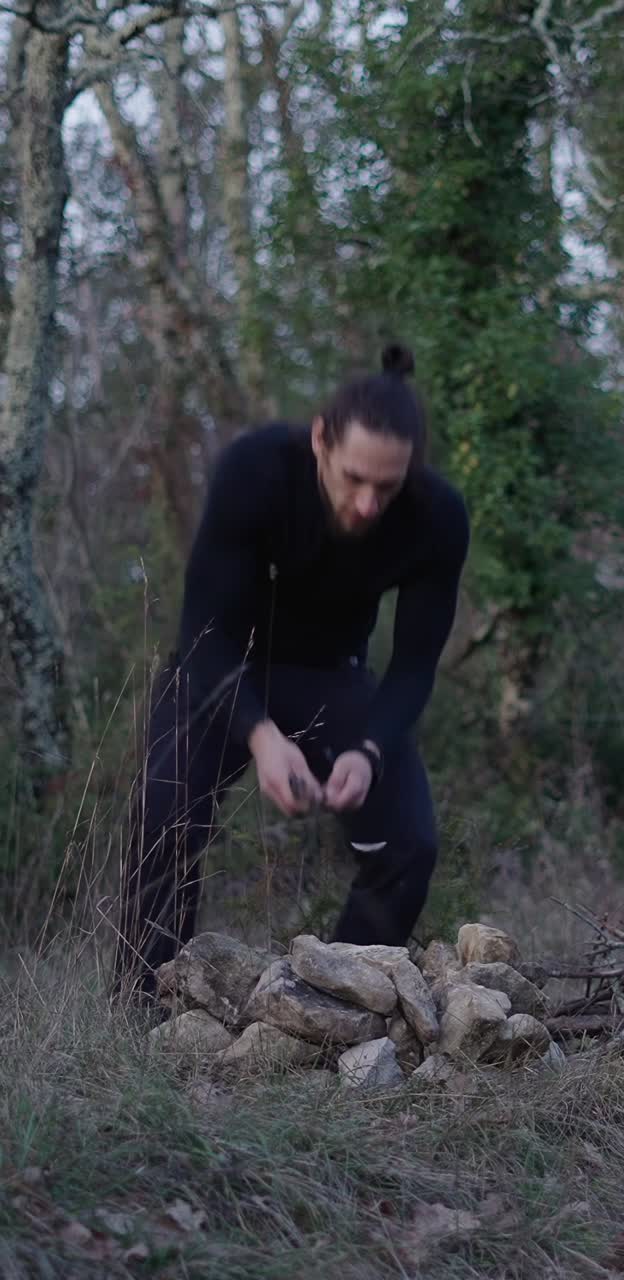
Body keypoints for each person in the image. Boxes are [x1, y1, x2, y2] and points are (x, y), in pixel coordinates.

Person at [113, 344, 470, 999]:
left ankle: (335, 1001)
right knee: (162, 817)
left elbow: (416, 663)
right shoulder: (256, 470)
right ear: (320, 443)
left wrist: (368, 750)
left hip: (332, 673)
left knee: (409, 846)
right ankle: (146, 1007)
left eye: (385, 487)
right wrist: (260, 734)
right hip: (223, 667)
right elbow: (205, 633)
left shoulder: (437, 518)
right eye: (353, 479)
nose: (367, 504)